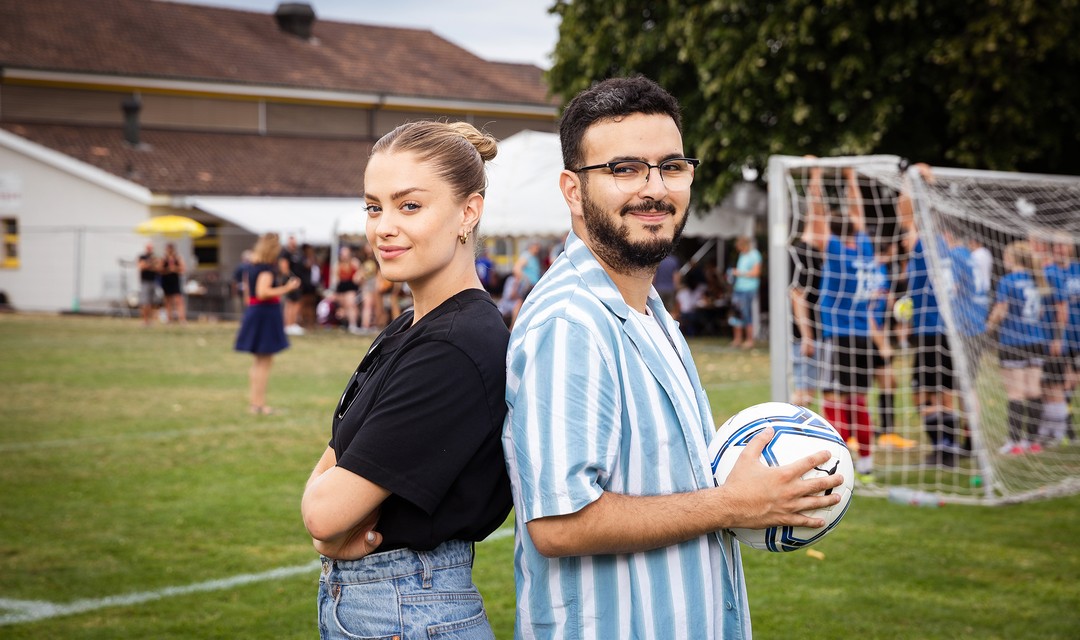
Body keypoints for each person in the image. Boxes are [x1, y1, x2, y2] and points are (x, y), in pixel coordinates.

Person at [503, 76, 842, 639]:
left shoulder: (650, 311)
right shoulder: (572, 321)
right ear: (571, 189)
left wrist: (741, 491)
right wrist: (732, 504)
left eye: (672, 166)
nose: (654, 188)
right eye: (624, 168)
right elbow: (560, 524)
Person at [301, 120, 512, 640]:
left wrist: (326, 527)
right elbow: (335, 464)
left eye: (409, 206)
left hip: (409, 608)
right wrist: (326, 523)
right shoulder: (413, 327)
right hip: (387, 603)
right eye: (374, 207)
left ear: (469, 211)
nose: (383, 227)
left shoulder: (455, 345)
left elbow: (325, 512)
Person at [805, 165, 890, 481]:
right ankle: (866, 460)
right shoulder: (866, 249)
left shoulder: (837, 251)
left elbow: (817, 215)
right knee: (858, 400)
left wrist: (815, 177)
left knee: (832, 399)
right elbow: (858, 211)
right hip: (863, 338)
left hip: (837, 336)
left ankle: (838, 460)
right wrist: (851, 178)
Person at [986, 241, 1051, 454]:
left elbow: (1001, 310)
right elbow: (1040, 314)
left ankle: (1014, 442)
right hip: (1037, 340)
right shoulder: (1036, 279)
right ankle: (1032, 441)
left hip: (1013, 341)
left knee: (1015, 392)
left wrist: (986, 328)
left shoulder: (1008, 280)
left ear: (1012, 259)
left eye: (1006, 256)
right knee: (1033, 389)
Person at [234, 233, 301, 415]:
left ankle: (255, 403)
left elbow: (249, 295)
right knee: (264, 362)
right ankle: (259, 405)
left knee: (258, 362)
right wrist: (287, 288)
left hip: (256, 312)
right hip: (265, 313)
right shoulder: (266, 269)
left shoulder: (251, 266)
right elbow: (262, 292)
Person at [729, 235, 762, 348]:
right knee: (736, 314)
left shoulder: (755, 255)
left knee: (746, 313)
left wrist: (739, 273)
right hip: (738, 288)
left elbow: (756, 273)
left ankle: (749, 340)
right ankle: (737, 339)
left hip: (748, 289)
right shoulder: (742, 255)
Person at [279, 235, 306, 335]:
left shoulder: (298, 252)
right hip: (291, 281)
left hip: (299, 281)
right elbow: (284, 268)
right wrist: (292, 279)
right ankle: (288, 324)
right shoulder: (285, 253)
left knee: (297, 302)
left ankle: (293, 323)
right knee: (290, 302)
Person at [334, 245, 363, 334]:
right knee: (344, 307)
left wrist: (357, 277)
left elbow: (360, 273)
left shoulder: (354, 262)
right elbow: (336, 277)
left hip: (351, 287)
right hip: (342, 287)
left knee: (351, 305)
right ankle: (347, 324)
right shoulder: (338, 264)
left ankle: (353, 324)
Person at [159, 242, 186, 324]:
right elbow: (159, 269)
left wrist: (175, 268)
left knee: (179, 300)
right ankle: (169, 319)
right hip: (166, 281)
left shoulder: (178, 258)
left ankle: (182, 319)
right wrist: (168, 270)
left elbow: (183, 269)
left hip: (175, 280)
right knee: (168, 300)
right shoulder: (163, 259)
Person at [137, 242, 160, 327]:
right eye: (148, 248)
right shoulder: (142, 257)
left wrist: (150, 264)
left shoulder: (155, 257)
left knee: (153, 302)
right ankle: (144, 320)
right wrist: (151, 264)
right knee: (145, 302)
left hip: (153, 281)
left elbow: (158, 268)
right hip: (145, 282)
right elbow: (142, 266)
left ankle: (151, 320)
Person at [231, 249, 253, 315]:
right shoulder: (251, 266)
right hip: (246, 288)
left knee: (242, 306)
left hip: (242, 289)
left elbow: (234, 280)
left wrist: (234, 291)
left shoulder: (240, 266)